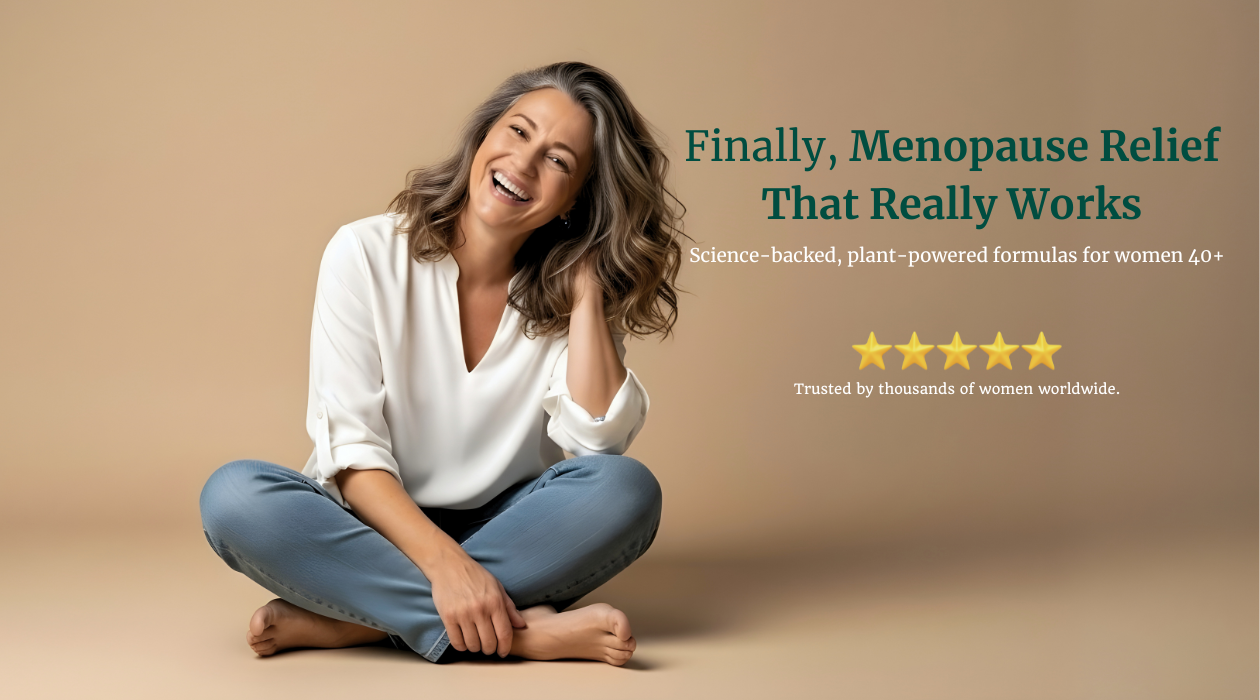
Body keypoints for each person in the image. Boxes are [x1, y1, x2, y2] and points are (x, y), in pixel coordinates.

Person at [198, 62, 683, 666]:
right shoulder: (366, 252)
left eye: (558, 160)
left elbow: (597, 441)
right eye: (518, 131)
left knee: (627, 491)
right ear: (483, 136)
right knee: (235, 498)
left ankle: (364, 619)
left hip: (509, 524)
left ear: (577, 198)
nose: (524, 164)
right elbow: (351, 452)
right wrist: (447, 567)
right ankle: (519, 634)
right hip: (374, 523)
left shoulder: (568, 293)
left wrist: (586, 291)